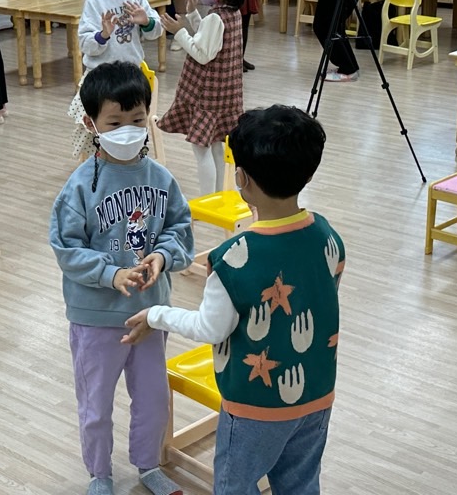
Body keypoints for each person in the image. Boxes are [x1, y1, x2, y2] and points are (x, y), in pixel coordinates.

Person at [123, 105, 343, 494]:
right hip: (317, 394)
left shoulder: (233, 258)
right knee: (301, 483)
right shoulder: (328, 236)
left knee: (235, 486)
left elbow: (210, 328)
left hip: (254, 405)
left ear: (241, 178)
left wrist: (156, 314)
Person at [49, 61, 193, 495]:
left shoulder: (161, 178)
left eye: (137, 120)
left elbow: (180, 228)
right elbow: (66, 248)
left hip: (150, 315)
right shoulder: (79, 187)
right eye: (115, 122)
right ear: (91, 123)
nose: (128, 130)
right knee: (96, 406)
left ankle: (148, 466)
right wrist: (111, 274)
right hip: (96, 319)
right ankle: (100, 474)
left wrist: (163, 257)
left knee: (152, 400)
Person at [156, 0, 246, 196]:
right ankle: (218, 195)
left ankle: (208, 199)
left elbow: (202, 53)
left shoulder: (217, 18)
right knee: (216, 146)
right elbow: (208, 39)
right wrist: (193, 13)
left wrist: (179, 31)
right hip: (225, 97)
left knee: (201, 150)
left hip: (208, 97)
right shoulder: (232, 14)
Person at [67, 0, 163, 161]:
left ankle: (132, 158)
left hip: (130, 76)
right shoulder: (94, 1)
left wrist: (145, 22)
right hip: (102, 77)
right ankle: (98, 162)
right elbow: (85, 44)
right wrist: (103, 35)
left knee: (131, 121)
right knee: (98, 126)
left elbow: (156, 30)